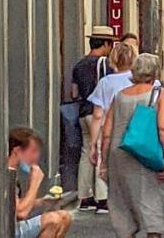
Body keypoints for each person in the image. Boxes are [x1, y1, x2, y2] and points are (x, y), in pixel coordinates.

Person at [100, 53, 164, 238]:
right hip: (148, 154)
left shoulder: (119, 96)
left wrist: (103, 162)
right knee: (153, 201)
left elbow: (107, 132)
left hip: (119, 154)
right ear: (155, 72)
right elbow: (163, 127)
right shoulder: (160, 94)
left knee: (122, 204)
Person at [87, 41, 147, 216]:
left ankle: (104, 199)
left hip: (111, 130)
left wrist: (93, 144)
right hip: (136, 130)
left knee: (106, 165)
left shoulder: (105, 83)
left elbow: (98, 115)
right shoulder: (140, 81)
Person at [72, 26, 116, 213]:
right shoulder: (106, 64)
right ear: (106, 44)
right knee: (99, 151)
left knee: (86, 152)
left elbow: (74, 93)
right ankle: (101, 198)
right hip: (98, 112)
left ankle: (84, 197)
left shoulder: (79, 64)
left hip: (83, 112)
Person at [8, 127, 73, 238]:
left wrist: (43, 202)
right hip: (9, 229)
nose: (36, 156)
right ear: (17, 151)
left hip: (14, 224)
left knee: (65, 217)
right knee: (52, 220)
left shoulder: (14, 173)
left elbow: (16, 204)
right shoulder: (6, 172)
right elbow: (21, 213)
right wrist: (35, 182)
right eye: (33, 151)